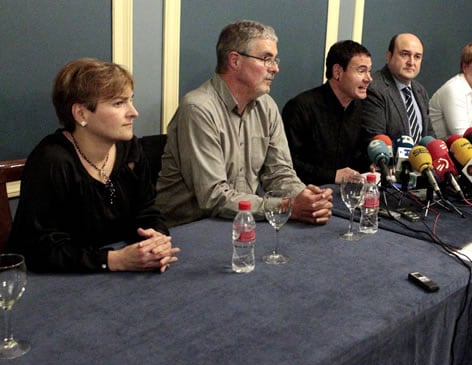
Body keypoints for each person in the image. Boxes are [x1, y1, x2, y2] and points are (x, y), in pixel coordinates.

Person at [9, 58, 179, 273]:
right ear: (81, 114)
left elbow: (147, 212)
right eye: (119, 103)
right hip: (56, 282)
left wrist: (155, 238)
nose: (133, 112)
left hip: (117, 274)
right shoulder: (52, 161)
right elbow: (38, 249)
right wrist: (115, 260)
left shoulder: (130, 149)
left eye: (131, 100)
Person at [156, 20, 333, 227]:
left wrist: (307, 198)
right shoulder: (198, 108)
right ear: (235, 61)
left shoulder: (267, 106)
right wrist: (287, 206)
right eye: (266, 59)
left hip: (240, 221)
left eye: (275, 60)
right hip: (188, 228)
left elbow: (279, 173)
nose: (275, 68)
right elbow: (214, 197)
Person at [283, 40, 372, 185]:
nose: (369, 78)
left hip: (349, 194)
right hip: (307, 194)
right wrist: (332, 176)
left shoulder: (360, 108)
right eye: (361, 71)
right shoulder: (301, 107)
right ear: (338, 72)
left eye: (369, 71)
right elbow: (286, 164)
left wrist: (372, 164)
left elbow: (358, 156)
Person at [361, 33, 434, 143]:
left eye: (417, 57)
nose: (411, 62)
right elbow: (375, 141)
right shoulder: (375, 89)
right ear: (389, 56)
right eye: (405, 54)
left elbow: (429, 135)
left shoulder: (420, 91)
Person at [429, 42, 472, 138]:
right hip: (439, 147)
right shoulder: (454, 88)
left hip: (466, 146)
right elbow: (462, 135)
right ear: (465, 67)